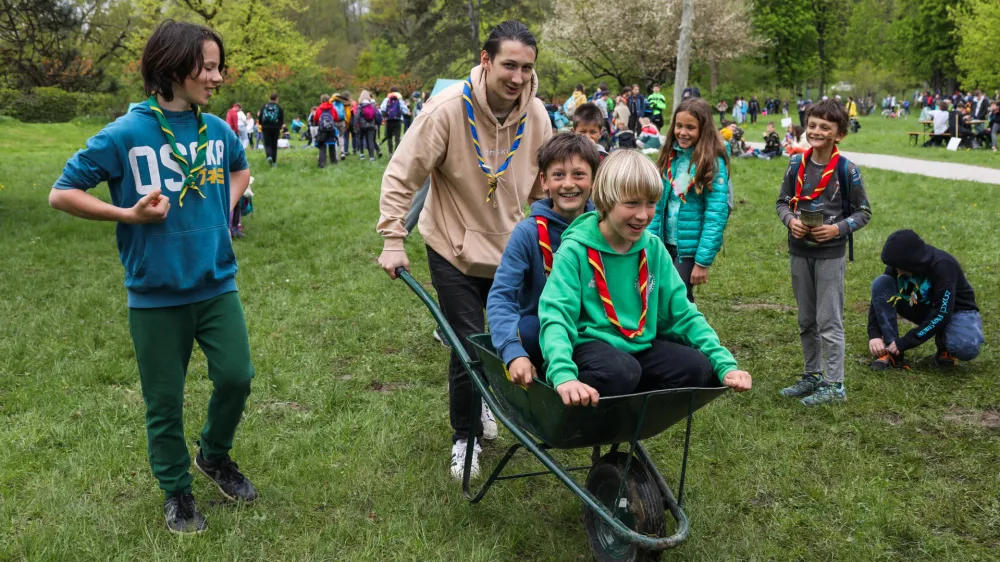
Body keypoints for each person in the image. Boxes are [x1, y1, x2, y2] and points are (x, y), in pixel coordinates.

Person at [47, 19, 257, 535]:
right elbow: (61, 192)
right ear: (174, 67)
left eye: (217, 66)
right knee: (164, 402)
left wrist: (221, 214)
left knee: (237, 376)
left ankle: (214, 455)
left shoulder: (218, 130)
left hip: (215, 284)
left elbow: (240, 169)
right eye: (207, 67)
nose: (217, 77)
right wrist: (129, 216)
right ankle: (177, 492)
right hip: (156, 295)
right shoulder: (126, 133)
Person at [377, 21, 552, 481]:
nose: (517, 77)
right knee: (468, 344)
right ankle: (466, 437)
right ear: (486, 60)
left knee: (515, 338)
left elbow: (544, 180)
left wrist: (549, 230)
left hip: (512, 249)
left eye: (527, 68)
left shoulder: (536, 115)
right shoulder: (447, 109)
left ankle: (487, 402)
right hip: (452, 246)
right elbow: (402, 173)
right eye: (509, 65)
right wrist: (393, 238)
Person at [536, 149, 752, 407]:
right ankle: (576, 395)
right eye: (631, 204)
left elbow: (682, 312)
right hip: (590, 346)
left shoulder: (653, 248)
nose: (643, 215)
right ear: (605, 201)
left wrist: (723, 363)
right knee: (621, 371)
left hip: (637, 346)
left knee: (699, 368)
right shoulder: (575, 250)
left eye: (650, 203)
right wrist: (563, 374)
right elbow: (556, 315)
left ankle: (629, 413)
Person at [775, 99, 873, 406]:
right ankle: (812, 375)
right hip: (798, 251)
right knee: (806, 319)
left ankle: (835, 384)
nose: (816, 131)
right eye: (812, 125)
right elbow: (781, 203)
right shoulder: (795, 164)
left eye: (825, 127)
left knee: (829, 320)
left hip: (830, 255)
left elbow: (863, 212)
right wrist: (791, 221)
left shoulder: (847, 170)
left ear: (839, 134)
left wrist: (836, 229)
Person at [486, 134, 599, 384]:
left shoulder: (604, 229)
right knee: (529, 330)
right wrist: (513, 352)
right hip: (542, 328)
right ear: (544, 181)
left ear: (594, 178)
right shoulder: (528, 233)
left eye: (579, 174)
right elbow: (501, 296)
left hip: (593, 328)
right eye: (558, 175)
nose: (568, 184)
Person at [647, 97, 730, 303]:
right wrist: (650, 240)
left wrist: (702, 262)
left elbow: (716, 215)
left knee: (677, 297)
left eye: (690, 127)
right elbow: (657, 204)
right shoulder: (670, 156)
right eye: (679, 125)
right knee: (659, 292)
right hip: (664, 241)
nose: (683, 132)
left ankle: (689, 334)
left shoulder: (712, 163)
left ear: (704, 129)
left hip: (690, 248)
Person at [868, 230, 983, 371]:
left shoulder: (943, 265)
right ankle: (891, 350)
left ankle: (945, 346)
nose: (897, 271)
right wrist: (874, 334)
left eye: (900, 268)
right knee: (882, 282)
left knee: (966, 347)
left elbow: (942, 313)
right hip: (923, 307)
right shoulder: (898, 264)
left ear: (912, 261)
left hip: (955, 311)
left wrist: (907, 340)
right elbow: (880, 295)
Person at [380, 86, 410, 155]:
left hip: (389, 120)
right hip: (398, 121)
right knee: (397, 138)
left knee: (389, 137)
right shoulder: (400, 99)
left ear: (390, 92)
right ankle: (396, 153)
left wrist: (385, 115)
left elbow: (382, 108)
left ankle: (390, 153)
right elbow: (405, 110)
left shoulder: (387, 99)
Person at [312, 94, 339, 168]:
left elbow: (315, 119)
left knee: (322, 145)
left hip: (322, 130)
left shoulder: (319, 108)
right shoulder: (332, 108)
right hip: (331, 129)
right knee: (332, 145)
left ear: (321, 100)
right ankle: (333, 162)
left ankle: (322, 163)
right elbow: (336, 118)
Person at [258, 92, 283, 166]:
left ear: (269, 98)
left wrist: (262, 125)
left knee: (267, 143)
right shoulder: (278, 107)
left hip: (266, 128)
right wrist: (279, 126)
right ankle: (274, 162)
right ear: (276, 99)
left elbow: (260, 118)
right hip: (275, 128)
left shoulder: (264, 107)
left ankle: (269, 156)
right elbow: (281, 119)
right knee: (274, 144)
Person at [355, 90, 382, 162]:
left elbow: (357, 116)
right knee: (370, 140)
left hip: (362, 126)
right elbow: (376, 115)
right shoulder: (372, 105)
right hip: (371, 125)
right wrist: (377, 123)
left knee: (361, 139)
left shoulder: (360, 106)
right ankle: (371, 157)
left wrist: (356, 124)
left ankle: (362, 155)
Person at [341, 92, 357, 159]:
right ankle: (354, 150)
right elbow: (356, 111)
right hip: (353, 121)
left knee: (345, 136)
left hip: (345, 121)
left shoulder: (342, 104)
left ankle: (346, 151)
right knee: (354, 136)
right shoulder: (353, 103)